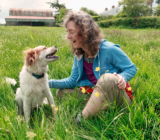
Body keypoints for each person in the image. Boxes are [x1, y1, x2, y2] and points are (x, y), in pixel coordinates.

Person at [49, 10, 137, 124]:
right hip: (95, 93)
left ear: (85, 31)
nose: (68, 36)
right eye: (67, 32)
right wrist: (46, 82)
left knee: (107, 78)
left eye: (71, 32)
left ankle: (80, 120)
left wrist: (122, 77)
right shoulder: (79, 54)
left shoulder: (109, 49)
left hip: (118, 97)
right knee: (61, 93)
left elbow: (131, 68)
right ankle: (99, 110)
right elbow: (72, 81)